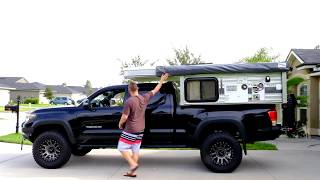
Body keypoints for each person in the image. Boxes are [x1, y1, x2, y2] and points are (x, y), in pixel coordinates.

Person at [117, 73, 169, 177]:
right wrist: (162, 80)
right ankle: (132, 172)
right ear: (137, 89)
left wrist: (120, 123)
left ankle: (132, 164)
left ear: (129, 90)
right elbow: (155, 90)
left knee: (121, 147)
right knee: (135, 149)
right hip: (141, 129)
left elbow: (124, 117)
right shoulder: (144, 98)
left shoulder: (129, 101)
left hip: (131, 129)